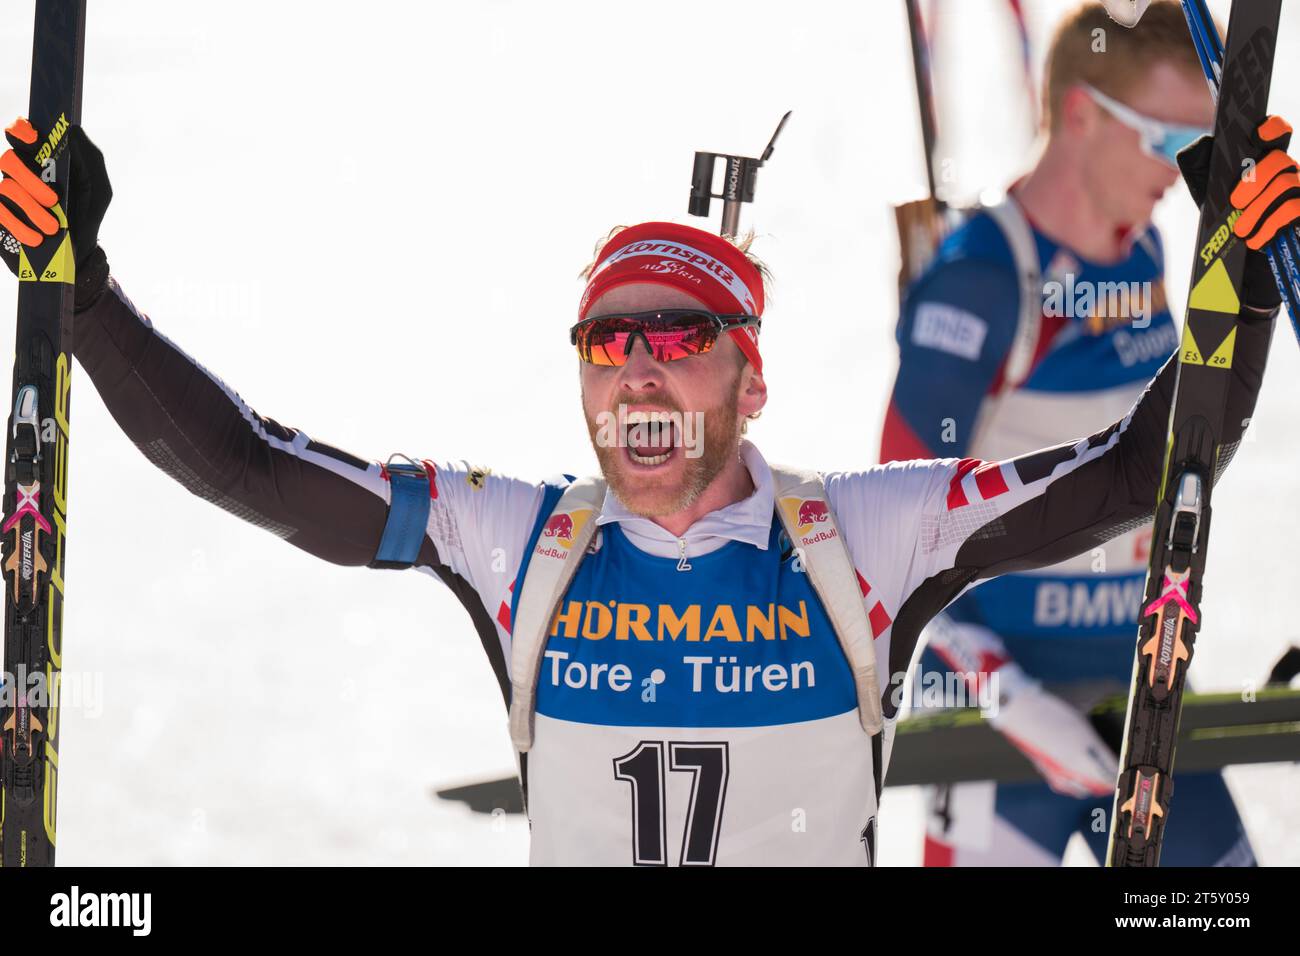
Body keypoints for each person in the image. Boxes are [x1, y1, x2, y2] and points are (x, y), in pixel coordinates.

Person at [1, 96, 1295, 866]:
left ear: (753, 383)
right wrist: (85, 294)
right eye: (607, 344)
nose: (637, 375)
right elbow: (244, 462)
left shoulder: (868, 535)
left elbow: (1150, 467)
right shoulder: (520, 542)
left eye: (678, 344)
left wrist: (1241, 281)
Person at [881, 2, 1265, 865]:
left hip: (1145, 688)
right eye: (1169, 143)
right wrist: (1007, 698)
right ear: (1085, 112)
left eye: (1196, 150)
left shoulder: (1141, 259)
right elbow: (890, 539)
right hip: (999, 713)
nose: (1181, 176)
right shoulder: (980, 282)